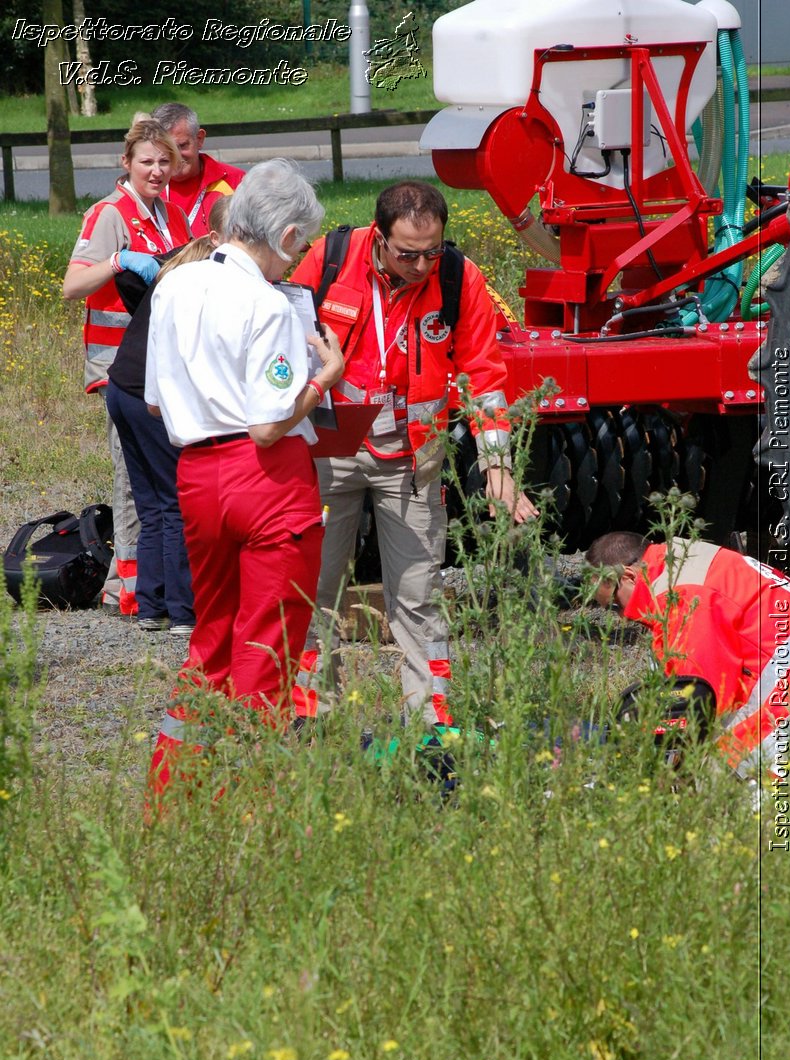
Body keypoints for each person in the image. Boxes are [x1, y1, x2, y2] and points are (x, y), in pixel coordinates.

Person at [290, 180, 537, 729]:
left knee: (420, 595)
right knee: (314, 588)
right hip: (330, 453)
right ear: (379, 238)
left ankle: (430, 722)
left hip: (413, 460)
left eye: (433, 251)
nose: (422, 265)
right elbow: (282, 340)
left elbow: (486, 376)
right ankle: (310, 716)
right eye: (407, 254)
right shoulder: (329, 260)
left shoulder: (458, 277)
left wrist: (497, 464)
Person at [145, 159, 345, 793]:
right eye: (303, 246)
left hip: (198, 472)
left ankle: (172, 792)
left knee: (211, 637)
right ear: (285, 237)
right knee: (269, 644)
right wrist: (323, 380)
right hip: (266, 477)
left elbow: (155, 399)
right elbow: (268, 423)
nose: (300, 260)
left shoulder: (175, 285)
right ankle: (251, 802)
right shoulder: (272, 302)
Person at [63, 114, 191, 617]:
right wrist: (117, 262)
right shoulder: (108, 213)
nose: (157, 171)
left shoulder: (172, 214)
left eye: (165, 161)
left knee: (162, 473)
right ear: (126, 163)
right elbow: (72, 286)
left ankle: (155, 576)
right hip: (118, 361)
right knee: (132, 472)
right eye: (147, 162)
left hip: (159, 358)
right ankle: (127, 583)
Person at [104, 197, 231, 636]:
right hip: (145, 391)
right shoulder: (215, 276)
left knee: (152, 502)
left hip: (121, 385)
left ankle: (152, 604)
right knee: (176, 501)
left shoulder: (180, 259)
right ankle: (182, 610)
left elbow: (130, 284)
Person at [586, 531, 790, 780]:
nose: (622, 616)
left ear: (630, 576)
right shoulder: (683, 559)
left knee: (734, 795)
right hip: (781, 674)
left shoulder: (683, 601)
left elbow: (701, 702)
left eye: (615, 604)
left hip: (788, 693)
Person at [151, 102, 246, 237]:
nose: (175, 156)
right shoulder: (143, 188)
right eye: (166, 149)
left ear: (199, 139)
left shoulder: (236, 182)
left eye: (182, 146)